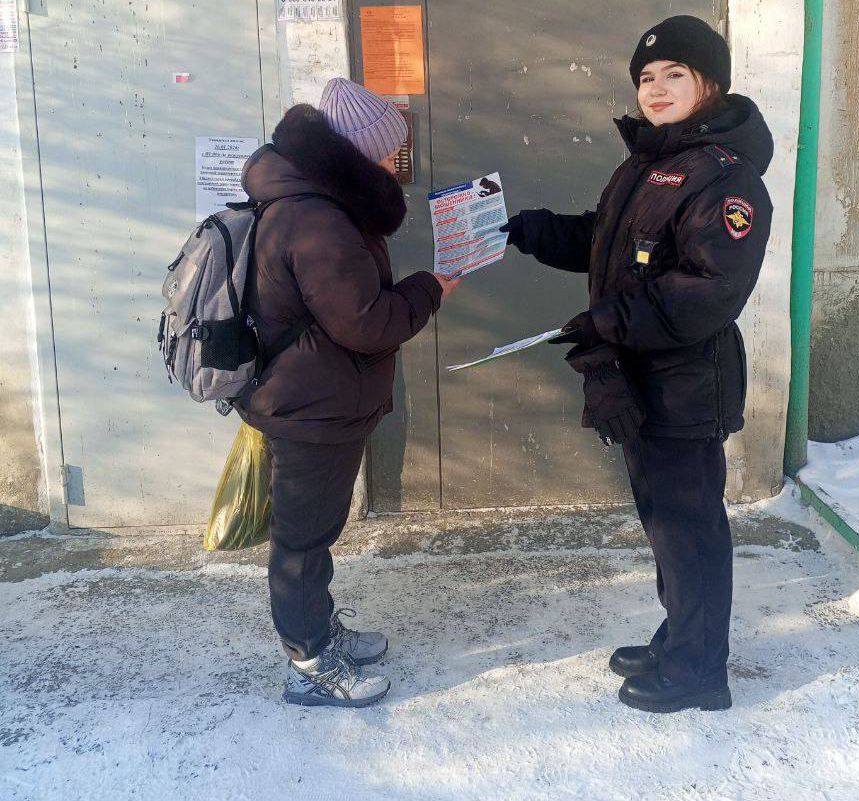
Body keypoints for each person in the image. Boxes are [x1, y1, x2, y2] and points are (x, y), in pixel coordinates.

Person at [500, 15, 773, 713]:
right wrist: (535, 232)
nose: (656, 88)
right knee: (663, 522)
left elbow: (709, 289)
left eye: (674, 74)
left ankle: (699, 671)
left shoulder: (726, 179)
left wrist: (605, 321)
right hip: (639, 380)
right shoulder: (649, 165)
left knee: (689, 529)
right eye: (646, 77)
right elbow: (609, 241)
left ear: (711, 84)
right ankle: (681, 635)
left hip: (685, 385)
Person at [237, 78, 459, 707]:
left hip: (316, 397)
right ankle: (309, 665)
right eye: (386, 151)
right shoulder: (316, 219)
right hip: (311, 406)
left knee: (314, 532)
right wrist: (431, 288)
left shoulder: (312, 201)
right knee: (302, 542)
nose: (392, 163)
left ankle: (320, 633)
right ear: (355, 152)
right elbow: (366, 323)